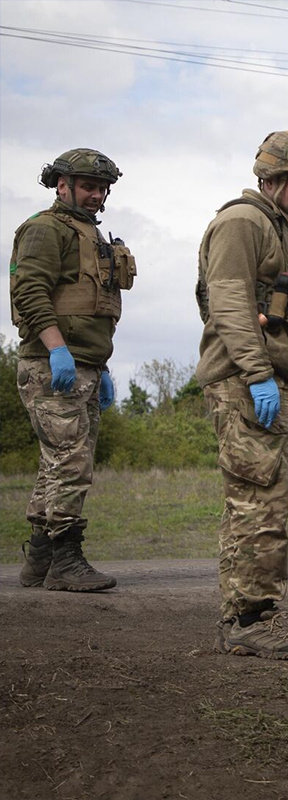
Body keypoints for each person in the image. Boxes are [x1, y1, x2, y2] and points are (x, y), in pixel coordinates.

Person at [196, 129, 288, 659]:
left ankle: (246, 615)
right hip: (246, 379)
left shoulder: (286, 231)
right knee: (257, 501)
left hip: (276, 380)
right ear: (269, 178)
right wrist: (256, 375)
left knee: (265, 499)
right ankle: (251, 619)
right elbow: (228, 302)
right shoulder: (243, 222)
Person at [11, 149, 133, 592]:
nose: (97, 195)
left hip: (84, 365)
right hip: (52, 364)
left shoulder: (91, 235)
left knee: (56, 464)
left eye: (102, 188)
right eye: (88, 186)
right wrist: (57, 350)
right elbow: (29, 291)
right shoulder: (45, 229)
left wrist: (97, 366)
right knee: (70, 461)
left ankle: (39, 562)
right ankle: (65, 560)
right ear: (61, 184)